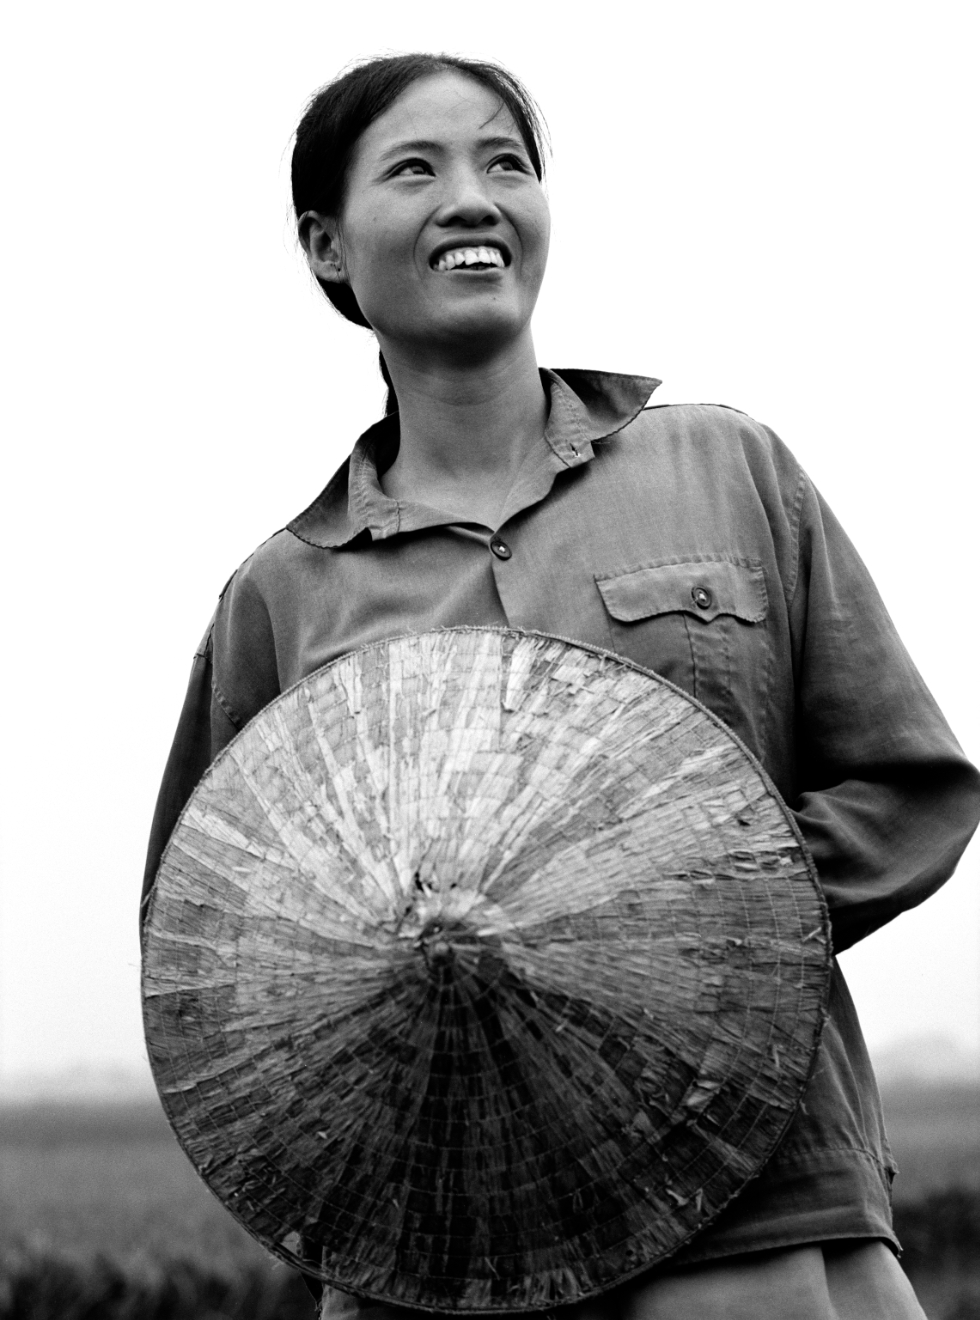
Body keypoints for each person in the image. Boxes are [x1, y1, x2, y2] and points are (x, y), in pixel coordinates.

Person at [141, 53, 980, 1320]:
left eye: (504, 164)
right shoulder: (281, 596)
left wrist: (669, 921)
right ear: (326, 245)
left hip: (758, 1213)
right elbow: (211, 956)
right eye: (414, 170)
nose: (471, 198)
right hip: (435, 1256)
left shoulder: (724, 467)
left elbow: (907, 786)